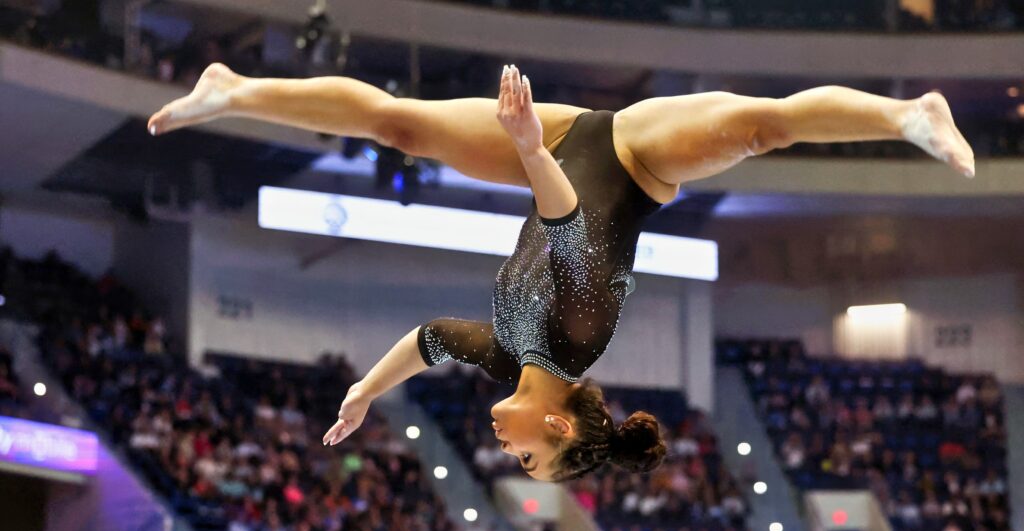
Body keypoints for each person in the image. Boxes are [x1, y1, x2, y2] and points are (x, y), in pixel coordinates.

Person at [149, 63, 974, 481]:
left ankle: (234, 88)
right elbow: (569, 222)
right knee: (763, 128)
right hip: (629, 154)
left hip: (553, 140)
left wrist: (366, 391)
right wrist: (531, 150)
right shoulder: (578, 337)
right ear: (559, 428)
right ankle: (906, 114)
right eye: (526, 460)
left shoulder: (513, 357)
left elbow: (430, 337)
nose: (505, 450)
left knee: (397, 126)